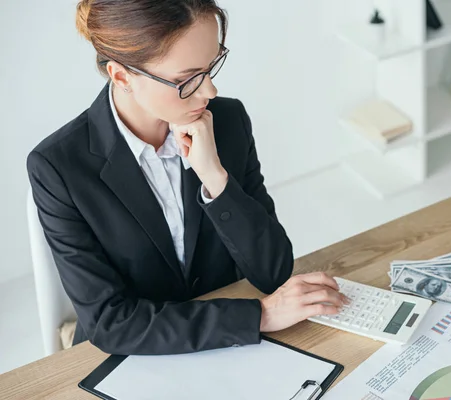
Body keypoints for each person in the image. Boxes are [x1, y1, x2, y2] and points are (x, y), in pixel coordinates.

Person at [27, 0, 348, 356]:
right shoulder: (58, 166)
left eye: (211, 67)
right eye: (187, 79)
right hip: (136, 357)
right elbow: (111, 322)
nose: (209, 91)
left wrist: (214, 176)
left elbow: (274, 270)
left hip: (231, 349)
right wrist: (260, 315)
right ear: (122, 76)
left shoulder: (227, 122)